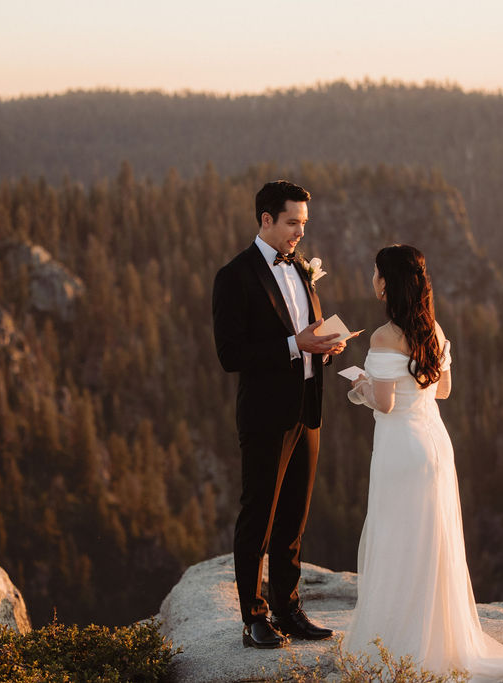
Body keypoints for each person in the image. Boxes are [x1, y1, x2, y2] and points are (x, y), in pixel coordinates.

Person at [344, 244, 503, 680]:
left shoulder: (384, 337)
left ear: (386, 283)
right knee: (432, 543)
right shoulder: (434, 331)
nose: (372, 278)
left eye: (375, 272)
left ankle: (398, 645)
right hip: (435, 445)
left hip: (400, 449)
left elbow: (385, 405)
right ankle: (439, 638)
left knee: (397, 539)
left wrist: (361, 385)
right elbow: (442, 391)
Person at [212, 180, 347, 649]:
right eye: (292, 223)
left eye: (304, 224)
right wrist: (296, 344)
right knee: (259, 519)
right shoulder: (234, 276)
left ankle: (289, 610)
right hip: (266, 415)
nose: (299, 234)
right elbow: (230, 354)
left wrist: (324, 347)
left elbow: (307, 334)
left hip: (307, 408)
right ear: (265, 219)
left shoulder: (302, 270)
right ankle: (253, 618)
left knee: (293, 519)